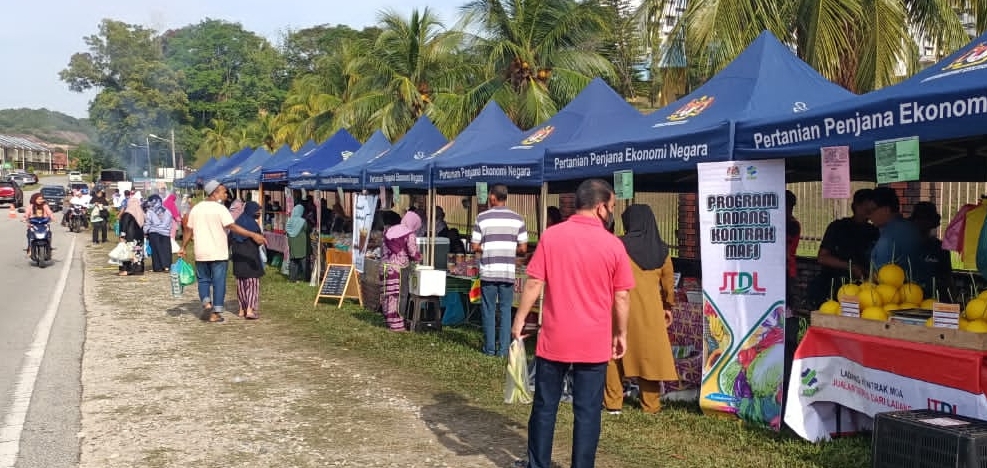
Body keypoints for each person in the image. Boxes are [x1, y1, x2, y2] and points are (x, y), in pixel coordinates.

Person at [511, 179, 633, 468]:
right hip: (593, 342)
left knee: (544, 407)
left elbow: (534, 283)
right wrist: (621, 333)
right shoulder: (613, 245)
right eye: (612, 207)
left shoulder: (552, 237)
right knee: (588, 411)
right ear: (601, 207)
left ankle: (537, 463)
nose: (612, 212)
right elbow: (623, 296)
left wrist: (519, 319)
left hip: (554, 338)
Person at [603, 204, 677, 415]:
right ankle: (650, 405)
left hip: (619, 307)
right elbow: (668, 285)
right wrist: (667, 307)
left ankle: (613, 403)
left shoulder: (618, 245)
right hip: (651, 311)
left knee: (614, 353)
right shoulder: (662, 251)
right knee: (649, 356)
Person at [179, 180, 266, 323]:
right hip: (219, 252)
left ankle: (207, 303)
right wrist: (252, 234)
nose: (226, 194)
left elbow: (188, 229)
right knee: (219, 283)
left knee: (203, 280)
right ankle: (215, 314)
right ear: (215, 193)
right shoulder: (220, 209)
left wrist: (183, 247)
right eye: (224, 192)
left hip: (201, 252)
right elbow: (232, 227)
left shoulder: (196, 209)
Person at [472, 184, 528, 357]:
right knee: (505, 310)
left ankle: (489, 348)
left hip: (489, 270)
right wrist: (509, 250)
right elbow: (524, 248)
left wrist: (489, 249)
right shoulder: (518, 219)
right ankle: (503, 350)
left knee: (488, 309)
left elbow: (475, 245)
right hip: (507, 272)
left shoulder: (481, 218)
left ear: (493, 197)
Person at [808, 189, 879, 305]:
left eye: (872, 208)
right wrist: (851, 267)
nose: (869, 210)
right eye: (866, 206)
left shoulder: (874, 230)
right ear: (855, 206)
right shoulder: (838, 227)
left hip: (863, 289)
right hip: (833, 286)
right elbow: (822, 257)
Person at [869, 187, 924, 283]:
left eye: (871, 210)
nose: (869, 216)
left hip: (891, 294)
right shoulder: (912, 228)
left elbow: (880, 276)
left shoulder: (888, 237)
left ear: (886, 210)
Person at [381, 211, 422, 331]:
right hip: (399, 269)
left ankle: (388, 320)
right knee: (400, 295)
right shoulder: (409, 234)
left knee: (388, 294)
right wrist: (420, 257)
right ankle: (397, 324)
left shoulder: (390, 230)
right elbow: (413, 252)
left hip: (384, 267)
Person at [910, 201, 954, 300]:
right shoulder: (907, 245)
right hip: (910, 297)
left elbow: (947, 278)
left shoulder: (940, 248)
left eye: (926, 219)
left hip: (935, 298)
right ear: (914, 221)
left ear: (932, 222)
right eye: (920, 219)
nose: (922, 223)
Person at [230, 201, 265, 320]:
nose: (258, 214)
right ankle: (250, 309)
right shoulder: (253, 226)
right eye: (257, 211)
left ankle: (242, 309)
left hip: (238, 258)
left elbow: (230, 239)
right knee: (252, 284)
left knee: (241, 284)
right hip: (251, 259)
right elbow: (259, 241)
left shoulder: (237, 223)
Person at [117, 193, 146, 276]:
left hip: (130, 237)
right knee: (138, 253)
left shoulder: (127, 213)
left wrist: (122, 236)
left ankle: (128, 270)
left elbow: (124, 225)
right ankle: (139, 269)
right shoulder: (140, 212)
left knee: (128, 253)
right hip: (139, 237)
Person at [143, 194, 174, 272]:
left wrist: (145, 231)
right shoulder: (167, 211)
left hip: (154, 233)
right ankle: (167, 266)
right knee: (166, 250)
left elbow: (148, 223)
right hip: (166, 233)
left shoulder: (150, 212)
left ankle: (158, 267)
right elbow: (170, 222)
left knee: (156, 250)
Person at [285, 205, 312, 283]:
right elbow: (308, 229)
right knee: (304, 262)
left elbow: (287, 231)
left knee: (293, 261)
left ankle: (292, 278)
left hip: (292, 244)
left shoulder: (289, 220)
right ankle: (307, 279)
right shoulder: (303, 221)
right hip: (302, 244)